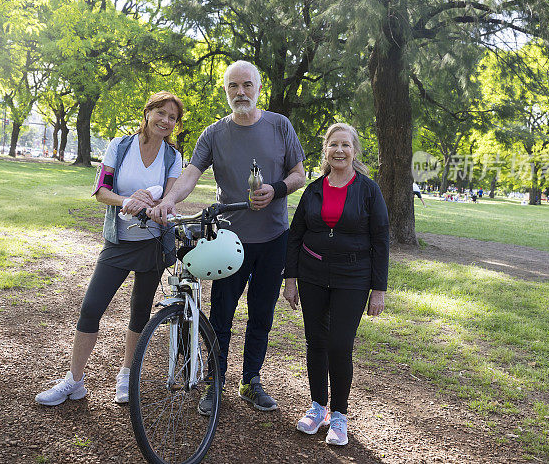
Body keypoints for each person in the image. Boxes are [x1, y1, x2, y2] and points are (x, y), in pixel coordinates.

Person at [150, 60, 306, 415]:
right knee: (221, 315)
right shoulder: (214, 133)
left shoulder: (280, 126)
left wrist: (276, 189)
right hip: (227, 240)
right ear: (226, 91)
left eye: (247, 85)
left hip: (273, 238)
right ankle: (214, 384)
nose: (240, 92)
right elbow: (190, 174)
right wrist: (170, 199)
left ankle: (251, 381)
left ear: (258, 88)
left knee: (262, 315)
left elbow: (299, 174)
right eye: (233, 86)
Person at [35, 91, 184, 406]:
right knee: (91, 308)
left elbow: (170, 199)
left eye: (172, 117)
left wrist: (153, 195)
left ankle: (127, 375)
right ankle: (74, 381)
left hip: (153, 243)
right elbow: (101, 191)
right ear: (147, 113)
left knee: (139, 312)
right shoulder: (120, 146)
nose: (166, 121)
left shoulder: (173, 156)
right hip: (119, 243)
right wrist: (127, 200)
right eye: (161, 113)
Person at [283, 123, 389, 446]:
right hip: (312, 275)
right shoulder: (313, 190)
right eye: (333, 145)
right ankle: (318, 407)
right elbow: (295, 235)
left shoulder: (369, 191)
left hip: (353, 278)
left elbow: (381, 239)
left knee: (340, 345)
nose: (339, 150)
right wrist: (290, 280)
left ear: (354, 150)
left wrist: (378, 289)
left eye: (345, 145)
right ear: (326, 151)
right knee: (315, 341)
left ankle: (339, 416)